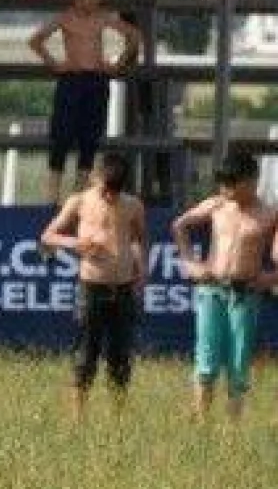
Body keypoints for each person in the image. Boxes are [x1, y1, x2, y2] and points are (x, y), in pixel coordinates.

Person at [39, 151, 147, 419]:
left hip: (123, 288)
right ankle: (78, 417)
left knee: (121, 356)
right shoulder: (79, 202)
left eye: (115, 191)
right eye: (105, 190)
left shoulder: (133, 205)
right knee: (85, 354)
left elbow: (138, 239)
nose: (110, 196)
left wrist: (140, 268)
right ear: (95, 179)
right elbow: (48, 236)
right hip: (92, 288)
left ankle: (117, 416)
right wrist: (76, 243)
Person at [171, 152, 276, 423]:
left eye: (231, 184)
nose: (225, 189)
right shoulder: (216, 205)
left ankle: (232, 429)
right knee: (206, 360)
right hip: (211, 290)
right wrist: (189, 262)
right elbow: (180, 225)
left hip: (245, 295)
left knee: (238, 362)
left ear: (251, 181)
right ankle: (201, 421)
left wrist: (270, 278)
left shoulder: (269, 214)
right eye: (223, 183)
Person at [28, 0, 144, 204]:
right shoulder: (65, 18)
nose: (93, 1)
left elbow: (134, 36)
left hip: (96, 80)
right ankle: (52, 197)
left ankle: (79, 196)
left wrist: (117, 65)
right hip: (71, 80)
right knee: (61, 136)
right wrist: (55, 64)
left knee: (89, 138)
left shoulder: (102, 17)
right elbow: (35, 41)